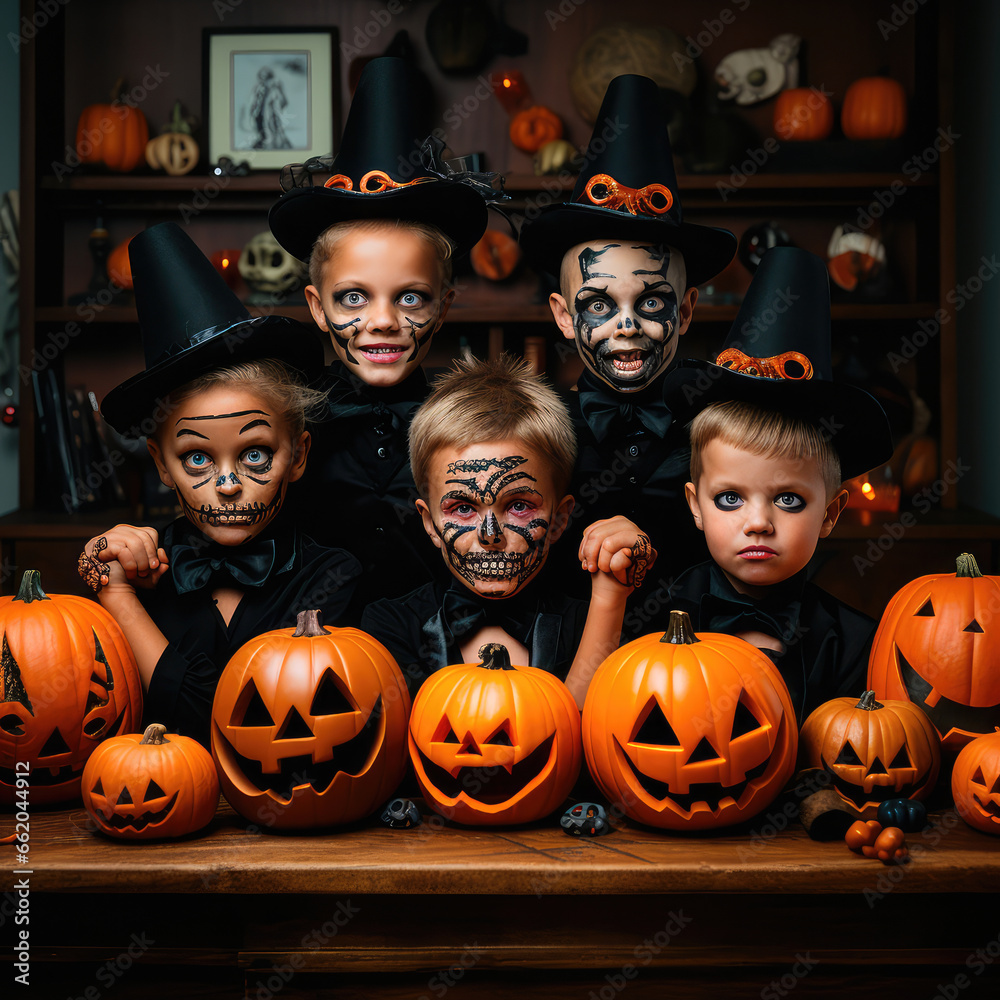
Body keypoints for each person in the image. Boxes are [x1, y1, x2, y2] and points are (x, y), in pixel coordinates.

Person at [82, 223, 359, 747]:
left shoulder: (331, 576)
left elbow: (229, 720)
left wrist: (119, 599)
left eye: (255, 453)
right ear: (161, 464)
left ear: (297, 455)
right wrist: (109, 577)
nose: (228, 484)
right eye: (196, 458)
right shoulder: (143, 566)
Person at [268, 57, 502, 612]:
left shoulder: (469, 424)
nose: (383, 320)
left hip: (443, 659)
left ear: (442, 307)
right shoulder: (285, 421)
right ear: (317, 307)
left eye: (410, 297)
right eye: (354, 297)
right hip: (311, 663)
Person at [519, 73, 737, 598]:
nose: (627, 325)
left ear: (685, 311)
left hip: (701, 663)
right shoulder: (534, 435)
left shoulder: (725, 435)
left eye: (653, 302)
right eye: (597, 304)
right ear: (564, 316)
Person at [668, 247, 894, 721]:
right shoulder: (652, 615)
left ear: (830, 513)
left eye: (788, 500)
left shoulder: (859, 645)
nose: (758, 524)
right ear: (695, 505)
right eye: (729, 499)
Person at [361, 354, 655, 708]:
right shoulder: (390, 624)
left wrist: (609, 599)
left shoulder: (585, 622)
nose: (490, 534)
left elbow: (585, 744)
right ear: (430, 524)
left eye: (518, 505)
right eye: (464, 508)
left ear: (560, 519)